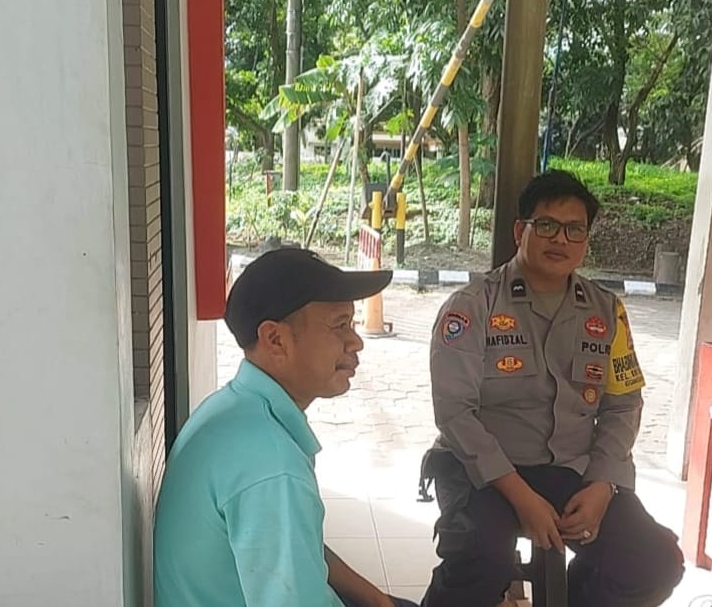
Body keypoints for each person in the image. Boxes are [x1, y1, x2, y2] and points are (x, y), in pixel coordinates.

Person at [419, 171, 684, 607]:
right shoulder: (472, 306)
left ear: (585, 240)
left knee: (656, 562)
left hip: (570, 469)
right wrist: (521, 497)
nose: (560, 238)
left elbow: (623, 405)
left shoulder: (606, 311)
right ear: (519, 231)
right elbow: (454, 412)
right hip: (479, 469)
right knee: (481, 557)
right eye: (546, 225)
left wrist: (603, 484)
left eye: (574, 229)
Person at [154, 248, 419, 607]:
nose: (356, 342)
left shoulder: (234, 407)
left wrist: (377, 599)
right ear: (275, 340)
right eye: (340, 325)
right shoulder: (270, 463)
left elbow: (301, 544)